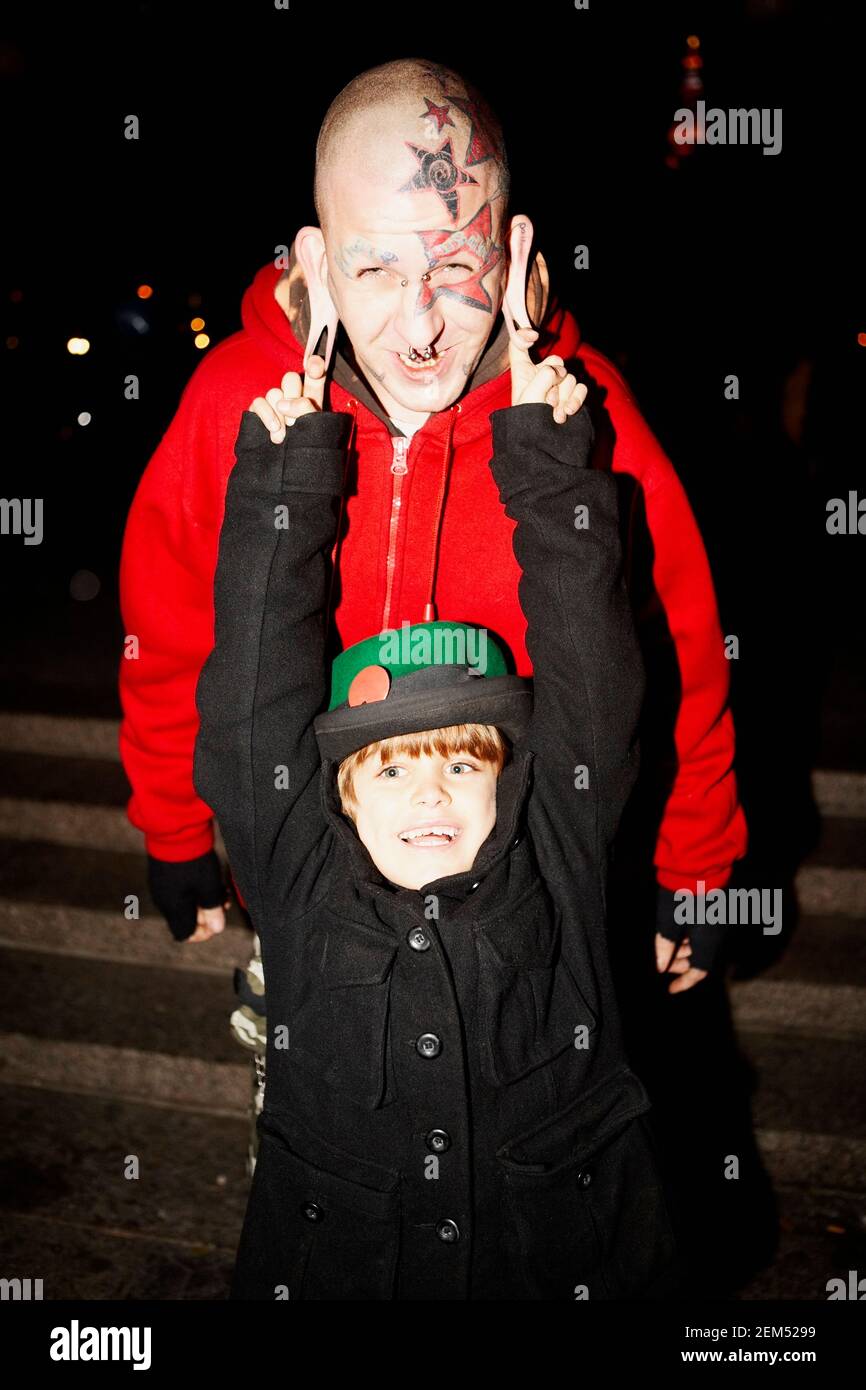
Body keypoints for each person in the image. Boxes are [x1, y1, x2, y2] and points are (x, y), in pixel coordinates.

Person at [118, 57, 746, 1169]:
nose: (417, 328)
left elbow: (676, 645)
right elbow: (172, 630)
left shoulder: (577, 415)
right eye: (374, 269)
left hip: (532, 889)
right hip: (318, 882)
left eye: (453, 268)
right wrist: (173, 826)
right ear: (312, 266)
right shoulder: (236, 409)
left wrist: (693, 863)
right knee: (330, 1163)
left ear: (511, 260)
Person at [192, 314, 685, 1300]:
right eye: (388, 770)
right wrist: (284, 486)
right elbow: (252, 700)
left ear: (508, 779)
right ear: (334, 790)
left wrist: (549, 467)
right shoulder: (300, 874)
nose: (427, 787)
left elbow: (593, 683)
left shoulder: (557, 854)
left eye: (462, 765)